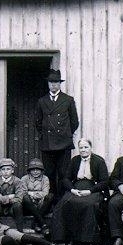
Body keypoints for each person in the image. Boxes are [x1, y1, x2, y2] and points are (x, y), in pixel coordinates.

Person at [49, 138, 109, 245]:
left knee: (88, 205)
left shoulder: (99, 161)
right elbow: (66, 178)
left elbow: (104, 182)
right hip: (76, 188)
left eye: (86, 147)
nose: (83, 150)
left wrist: (90, 191)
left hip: (93, 189)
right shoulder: (75, 160)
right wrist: (72, 189)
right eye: (81, 148)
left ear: (91, 148)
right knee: (62, 204)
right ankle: (62, 237)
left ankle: (86, 239)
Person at [35, 69, 79, 201]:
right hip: (47, 144)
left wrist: (65, 134)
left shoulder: (68, 100)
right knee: (49, 173)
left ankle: (62, 201)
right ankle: (52, 201)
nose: (53, 85)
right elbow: (38, 122)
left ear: (60, 84)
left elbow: (74, 122)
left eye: (56, 82)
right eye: (51, 82)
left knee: (64, 173)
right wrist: (45, 135)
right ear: (48, 84)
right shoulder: (42, 101)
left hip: (63, 143)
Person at [18, 158, 53, 234]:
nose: (35, 172)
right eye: (33, 170)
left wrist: (32, 194)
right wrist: (32, 194)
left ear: (41, 170)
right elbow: (23, 192)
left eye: (38, 169)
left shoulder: (45, 178)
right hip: (28, 206)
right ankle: (43, 224)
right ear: (29, 171)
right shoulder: (24, 178)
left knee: (50, 196)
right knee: (25, 198)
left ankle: (35, 223)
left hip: (41, 205)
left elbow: (45, 193)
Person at [0, 158, 24, 229]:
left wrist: (0, 198)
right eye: (3, 169)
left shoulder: (17, 181)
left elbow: (19, 198)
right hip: (0, 208)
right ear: (0, 170)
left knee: (18, 205)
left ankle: (20, 230)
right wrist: (9, 197)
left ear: (12, 170)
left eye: (8, 169)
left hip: (12, 208)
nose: (5, 172)